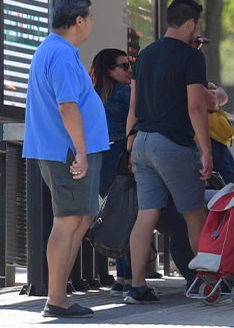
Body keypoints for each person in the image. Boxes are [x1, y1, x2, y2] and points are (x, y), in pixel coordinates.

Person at [23, 0, 110, 318]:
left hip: (64, 149)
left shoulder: (54, 50)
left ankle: (61, 295)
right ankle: (57, 298)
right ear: (78, 21)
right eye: (90, 18)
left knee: (80, 217)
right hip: (68, 151)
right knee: (69, 220)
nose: (91, 24)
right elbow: (67, 106)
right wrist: (82, 152)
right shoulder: (59, 55)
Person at [123, 0, 211, 304]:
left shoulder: (144, 55)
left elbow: (134, 105)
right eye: (196, 25)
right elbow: (196, 107)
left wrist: (129, 145)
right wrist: (206, 150)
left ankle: (136, 286)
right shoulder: (192, 58)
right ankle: (205, 282)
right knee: (195, 214)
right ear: (190, 24)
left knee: (146, 214)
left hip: (142, 141)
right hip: (172, 143)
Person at [89, 48, 134, 296]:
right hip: (119, 155)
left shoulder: (93, 95)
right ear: (109, 70)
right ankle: (128, 279)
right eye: (124, 66)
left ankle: (121, 277)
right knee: (128, 214)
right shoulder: (122, 94)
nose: (130, 70)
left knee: (116, 214)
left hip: (100, 159)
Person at [205, 83, 234, 184]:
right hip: (206, 140)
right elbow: (210, 101)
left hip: (219, 141)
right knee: (231, 186)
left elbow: (222, 96)